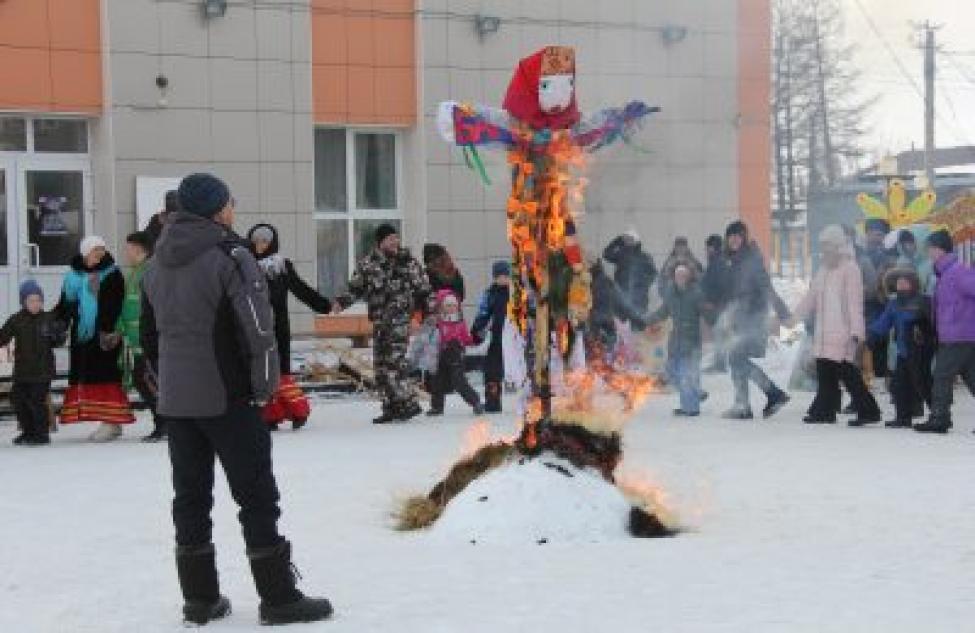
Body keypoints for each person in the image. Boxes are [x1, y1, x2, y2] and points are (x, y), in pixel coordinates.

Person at [142, 173, 332, 626]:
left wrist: (164, 384)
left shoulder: (155, 262)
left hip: (178, 400)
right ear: (217, 209)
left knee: (190, 497)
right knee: (257, 496)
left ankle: (200, 598)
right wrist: (264, 388)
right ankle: (279, 598)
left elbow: (149, 335)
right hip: (229, 397)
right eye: (230, 201)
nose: (233, 209)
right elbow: (258, 330)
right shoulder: (232, 256)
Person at [336, 223, 431, 424]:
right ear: (380, 242)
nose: (395, 242)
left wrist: (429, 312)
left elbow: (423, 288)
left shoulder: (408, 262)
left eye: (396, 237)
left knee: (394, 365)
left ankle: (408, 403)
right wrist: (340, 303)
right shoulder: (369, 264)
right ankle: (390, 407)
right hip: (380, 323)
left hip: (400, 321)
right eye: (390, 238)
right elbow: (355, 289)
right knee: (380, 368)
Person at [247, 223, 334, 431]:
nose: (260, 245)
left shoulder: (281, 266)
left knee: (282, 374)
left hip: (278, 328)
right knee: (263, 374)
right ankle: (270, 415)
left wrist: (323, 304)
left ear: (272, 243)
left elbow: (300, 289)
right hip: (255, 330)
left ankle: (298, 411)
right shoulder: (245, 267)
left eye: (265, 241)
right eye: (256, 241)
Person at [791, 225, 881, 426]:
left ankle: (869, 411)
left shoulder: (851, 269)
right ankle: (825, 411)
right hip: (823, 332)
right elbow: (810, 298)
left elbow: (854, 303)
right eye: (822, 246)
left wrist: (857, 332)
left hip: (844, 332)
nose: (824, 250)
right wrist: (794, 317)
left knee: (849, 375)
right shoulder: (823, 270)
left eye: (828, 245)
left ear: (839, 246)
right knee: (825, 373)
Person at [55, 235, 135, 441]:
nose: (99, 253)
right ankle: (108, 421)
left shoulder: (112, 274)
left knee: (106, 376)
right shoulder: (73, 276)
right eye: (94, 250)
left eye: (102, 249)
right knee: (89, 377)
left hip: (104, 334)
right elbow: (65, 304)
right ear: (85, 253)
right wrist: (59, 321)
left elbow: (114, 305)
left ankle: (111, 422)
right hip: (82, 335)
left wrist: (107, 330)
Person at [719, 221, 791, 420]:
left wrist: (782, 312)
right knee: (736, 360)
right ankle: (743, 405)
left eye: (737, 235)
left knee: (737, 359)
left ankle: (770, 394)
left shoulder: (751, 260)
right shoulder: (732, 260)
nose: (733, 239)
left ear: (744, 238)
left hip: (752, 319)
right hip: (739, 319)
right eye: (730, 236)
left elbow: (766, 288)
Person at [915, 230, 975, 434]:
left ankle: (940, 418)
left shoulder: (957, 272)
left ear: (940, 249)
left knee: (941, 374)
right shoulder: (945, 273)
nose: (928, 252)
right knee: (971, 376)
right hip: (959, 334)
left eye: (930, 248)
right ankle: (940, 416)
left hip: (959, 335)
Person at [0, 281, 66, 446]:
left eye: (38, 300)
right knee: (18, 400)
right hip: (23, 370)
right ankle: (28, 432)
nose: (35, 304)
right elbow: (3, 337)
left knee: (36, 401)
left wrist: (58, 335)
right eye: (31, 300)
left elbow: (58, 340)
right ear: (24, 302)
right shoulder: (16, 320)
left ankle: (41, 434)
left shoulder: (48, 318)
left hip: (43, 370)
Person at [868, 269, 934, 428]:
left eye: (905, 281)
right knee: (898, 385)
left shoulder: (924, 301)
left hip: (921, 351)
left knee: (923, 384)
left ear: (913, 283)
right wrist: (871, 335)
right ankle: (903, 417)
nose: (901, 284)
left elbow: (934, 324)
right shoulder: (894, 303)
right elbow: (884, 323)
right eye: (898, 281)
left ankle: (938, 413)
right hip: (903, 351)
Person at [646, 264, 712, 417]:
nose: (680, 278)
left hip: (691, 340)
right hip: (676, 340)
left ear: (689, 277)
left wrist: (716, 320)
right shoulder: (671, 293)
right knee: (672, 372)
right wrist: (646, 320)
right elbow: (663, 312)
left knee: (688, 372)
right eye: (678, 275)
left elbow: (707, 313)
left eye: (683, 275)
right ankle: (696, 393)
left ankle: (691, 408)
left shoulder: (696, 293)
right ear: (674, 277)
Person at [117, 231, 164, 442]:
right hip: (136, 340)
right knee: (143, 380)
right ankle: (162, 422)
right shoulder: (134, 272)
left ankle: (165, 423)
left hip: (148, 339)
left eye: (128, 248)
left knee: (149, 381)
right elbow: (126, 304)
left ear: (138, 248)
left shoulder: (150, 270)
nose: (126, 252)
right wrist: (120, 329)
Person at [424, 289, 484, 416]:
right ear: (441, 306)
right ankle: (437, 407)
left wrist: (476, 339)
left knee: (458, 381)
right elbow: (429, 337)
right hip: (440, 355)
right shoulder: (437, 321)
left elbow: (466, 339)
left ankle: (475, 402)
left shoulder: (460, 322)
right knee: (437, 381)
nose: (451, 308)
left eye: (454, 305)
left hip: (456, 354)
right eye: (448, 305)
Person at [585, 257, 648, 366]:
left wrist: (638, 320)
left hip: (599, 328)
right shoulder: (587, 282)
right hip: (596, 328)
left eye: (589, 264)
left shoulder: (606, 283)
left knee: (601, 362)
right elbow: (624, 303)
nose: (586, 267)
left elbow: (623, 303)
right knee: (600, 363)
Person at [471, 260, 511, 412]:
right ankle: (492, 402)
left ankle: (530, 402)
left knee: (522, 371)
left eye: (505, 275)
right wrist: (476, 331)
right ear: (494, 277)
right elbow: (483, 313)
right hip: (496, 337)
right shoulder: (489, 294)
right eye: (499, 276)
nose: (502, 279)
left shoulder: (517, 293)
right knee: (492, 370)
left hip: (514, 339)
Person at [863, 218, 897, 379]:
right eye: (876, 234)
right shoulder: (859, 255)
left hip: (883, 306)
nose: (879, 238)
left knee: (881, 342)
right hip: (864, 307)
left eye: (882, 235)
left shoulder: (890, 256)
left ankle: (880, 374)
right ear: (867, 233)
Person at [602, 229, 657, 324]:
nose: (627, 241)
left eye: (630, 239)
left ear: (636, 240)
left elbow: (653, 274)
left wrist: (643, 286)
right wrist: (618, 240)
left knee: (637, 326)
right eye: (626, 239)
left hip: (638, 299)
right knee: (621, 327)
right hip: (621, 297)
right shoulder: (621, 254)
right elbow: (606, 254)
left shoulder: (644, 256)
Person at [701, 234, 728, 373]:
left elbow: (722, 285)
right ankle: (719, 363)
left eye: (707, 247)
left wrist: (713, 302)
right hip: (717, 305)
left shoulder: (718, 262)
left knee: (719, 334)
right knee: (718, 334)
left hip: (719, 306)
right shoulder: (715, 261)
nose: (705, 250)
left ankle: (720, 365)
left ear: (712, 247)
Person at [895, 229, 934, 294]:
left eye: (910, 243)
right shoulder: (901, 261)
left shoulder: (931, 261)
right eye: (903, 243)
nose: (906, 247)